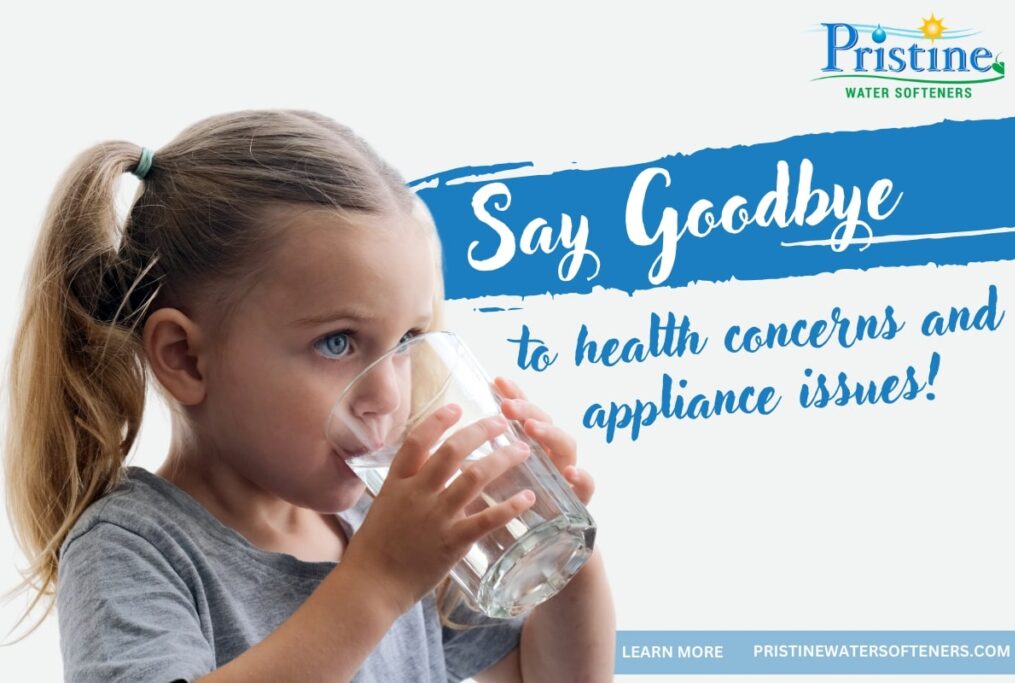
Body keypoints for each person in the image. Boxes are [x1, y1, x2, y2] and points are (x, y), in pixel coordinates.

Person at [3, 110, 615, 682]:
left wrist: (564, 558)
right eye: (338, 342)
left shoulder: (383, 520)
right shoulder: (132, 548)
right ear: (185, 358)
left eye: (406, 339)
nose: (386, 394)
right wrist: (377, 583)